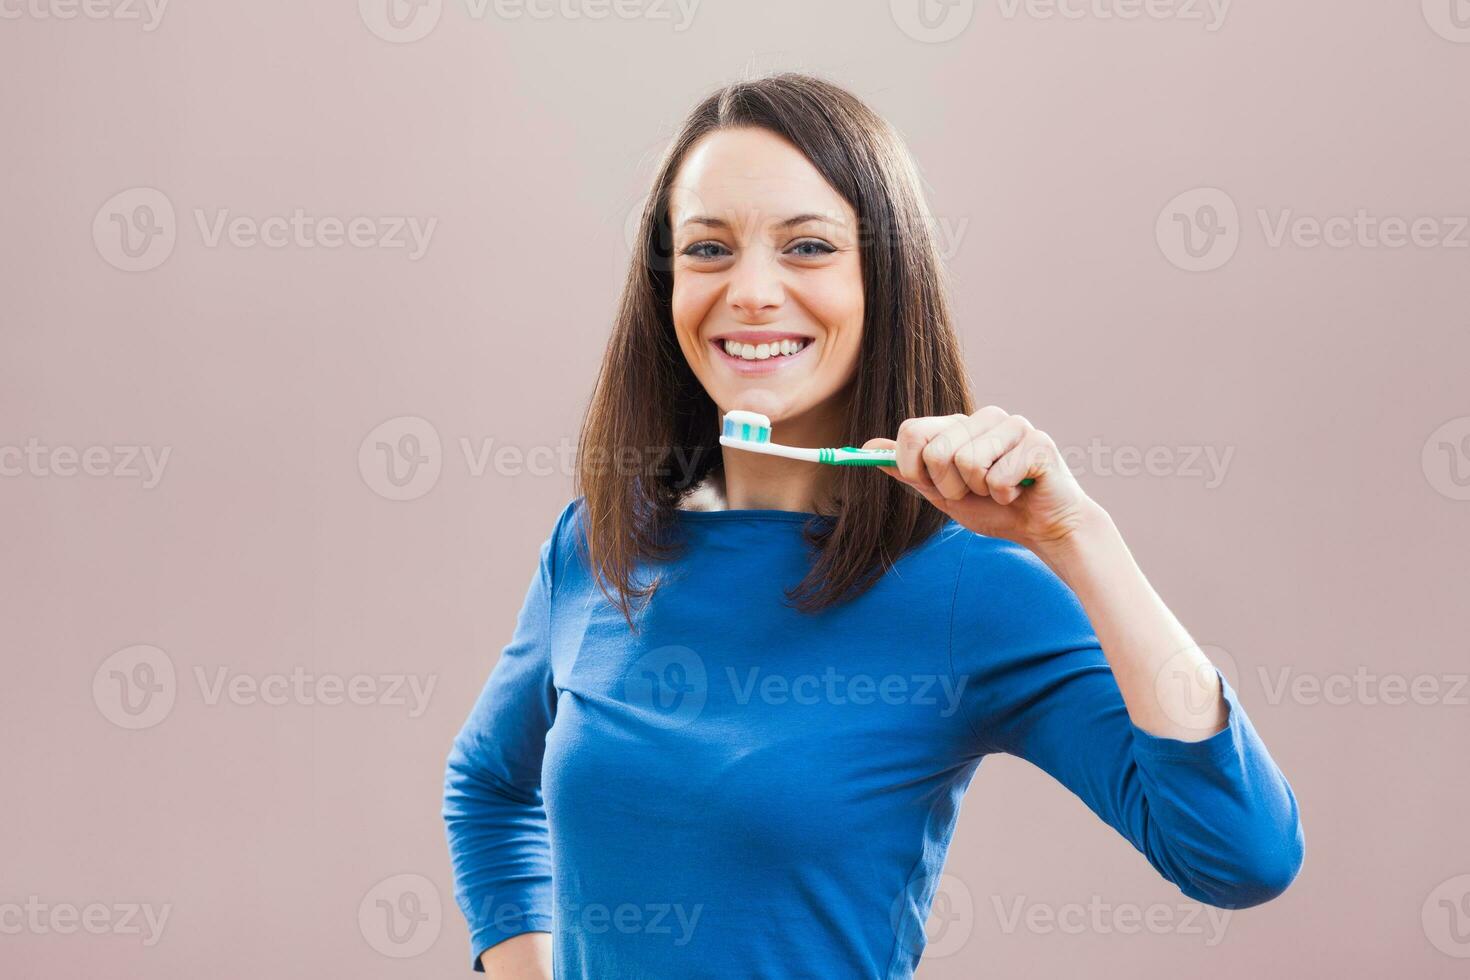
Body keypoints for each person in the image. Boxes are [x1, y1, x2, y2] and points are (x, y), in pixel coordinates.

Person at [443, 71, 1304, 979]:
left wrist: (1079, 539)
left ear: (884, 280)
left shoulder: (967, 589)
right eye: (707, 250)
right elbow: (487, 791)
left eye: (807, 246)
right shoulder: (596, 547)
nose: (751, 292)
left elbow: (1240, 856)